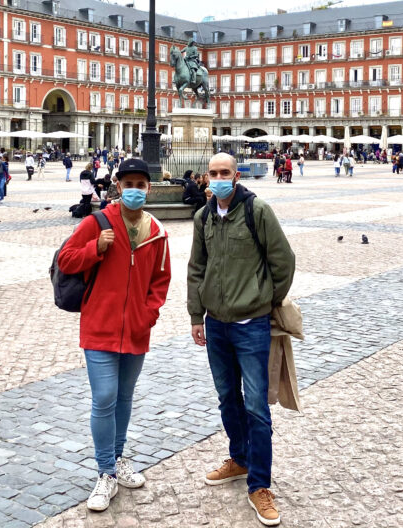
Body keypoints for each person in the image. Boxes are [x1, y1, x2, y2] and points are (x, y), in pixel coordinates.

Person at [57, 158, 172, 513]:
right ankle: (105, 471)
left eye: (141, 183)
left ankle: (119, 458)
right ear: (118, 186)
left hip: (136, 330)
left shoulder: (156, 231)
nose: (135, 189)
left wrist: (148, 314)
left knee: (124, 397)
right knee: (104, 396)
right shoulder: (98, 222)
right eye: (129, 183)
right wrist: (96, 248)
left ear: (148, 187)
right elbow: (66, 260)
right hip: (100, 325)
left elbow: (161, 280)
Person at [187, 153, 296, 527]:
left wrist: (265, 299)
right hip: (216, 324)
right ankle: (239, 458)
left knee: (256, 407)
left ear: (236, 176)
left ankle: (260, 484)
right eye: (213, 173)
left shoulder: (257, 211)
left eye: (225, 173)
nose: (218, 178)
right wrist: (194, 315)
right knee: (227, 398)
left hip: (251, 324)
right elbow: (196, 268)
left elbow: (283, 261)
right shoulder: (202, 217)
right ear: (207, 177)